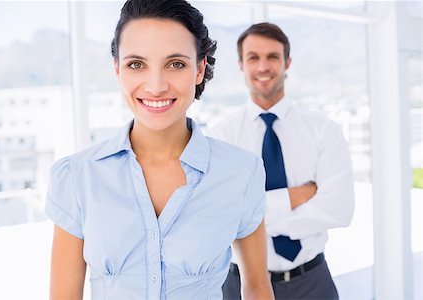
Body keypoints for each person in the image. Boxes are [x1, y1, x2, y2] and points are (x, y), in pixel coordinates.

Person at [45, 1, 274, 299]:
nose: (155, 86)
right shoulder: (77, 177)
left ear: (199, 69)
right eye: (136, 64)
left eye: (175, 64)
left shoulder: (241, 173)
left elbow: (256, 287)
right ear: (117, 69)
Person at [209, 22, 355, 299]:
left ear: (287, 63)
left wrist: (251, 217)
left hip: (311, 282)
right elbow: (221, 218)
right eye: (253, 57)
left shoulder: (324, 130)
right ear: (241, 64)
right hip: (238, 286)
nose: (263, 66)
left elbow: (339, 209)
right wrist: (294, 197)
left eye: (272, 57)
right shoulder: (221, 136)